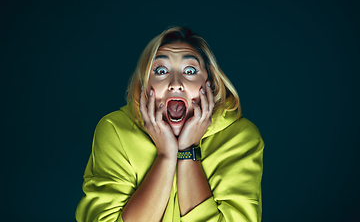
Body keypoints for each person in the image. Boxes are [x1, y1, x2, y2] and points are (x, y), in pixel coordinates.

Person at [75, 26, 264, 222]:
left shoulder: (240, 137)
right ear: (146, 85)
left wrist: (187, 150)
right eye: (161, 70)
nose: (175, 83)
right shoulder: (115, 130)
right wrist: (165, 157)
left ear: (210, 83)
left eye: (190, 70)